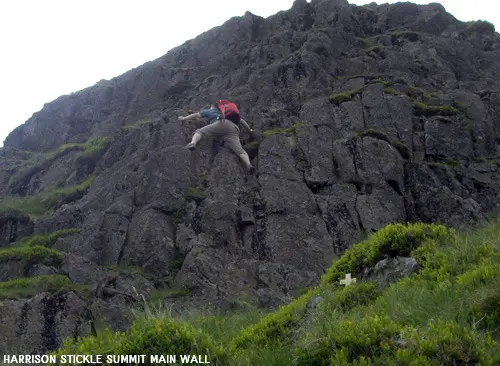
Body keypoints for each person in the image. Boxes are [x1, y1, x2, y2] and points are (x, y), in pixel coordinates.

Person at [178, 103, 255, 174]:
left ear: (213, 107)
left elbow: (196, 115)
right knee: (240, 151)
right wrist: (250, 131)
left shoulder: (211, 110)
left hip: (221, 124)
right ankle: (249, 165)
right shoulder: (228, 113)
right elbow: (242, 121)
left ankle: (193, 143)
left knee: (200, 131)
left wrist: (184, 118)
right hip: (234, 128)